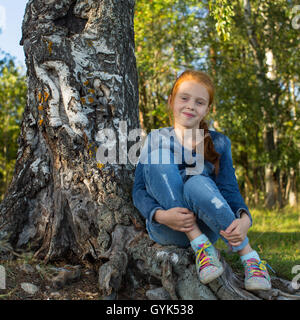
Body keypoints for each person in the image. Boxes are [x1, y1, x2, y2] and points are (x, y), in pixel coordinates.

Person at [132, 70, 272, 291]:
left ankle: (250, 259)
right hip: (168, 227)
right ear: (171, 101)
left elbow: (228, 188)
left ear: (207, 109)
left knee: (196, 182)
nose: (190, 106)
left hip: (208, 225)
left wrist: (245, 218)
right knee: (157, 160)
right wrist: (161, 215)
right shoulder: (155, 139)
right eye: (184, 98)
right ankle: (199, 244)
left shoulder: (219, 142)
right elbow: (138, 190)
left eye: (199, 102)